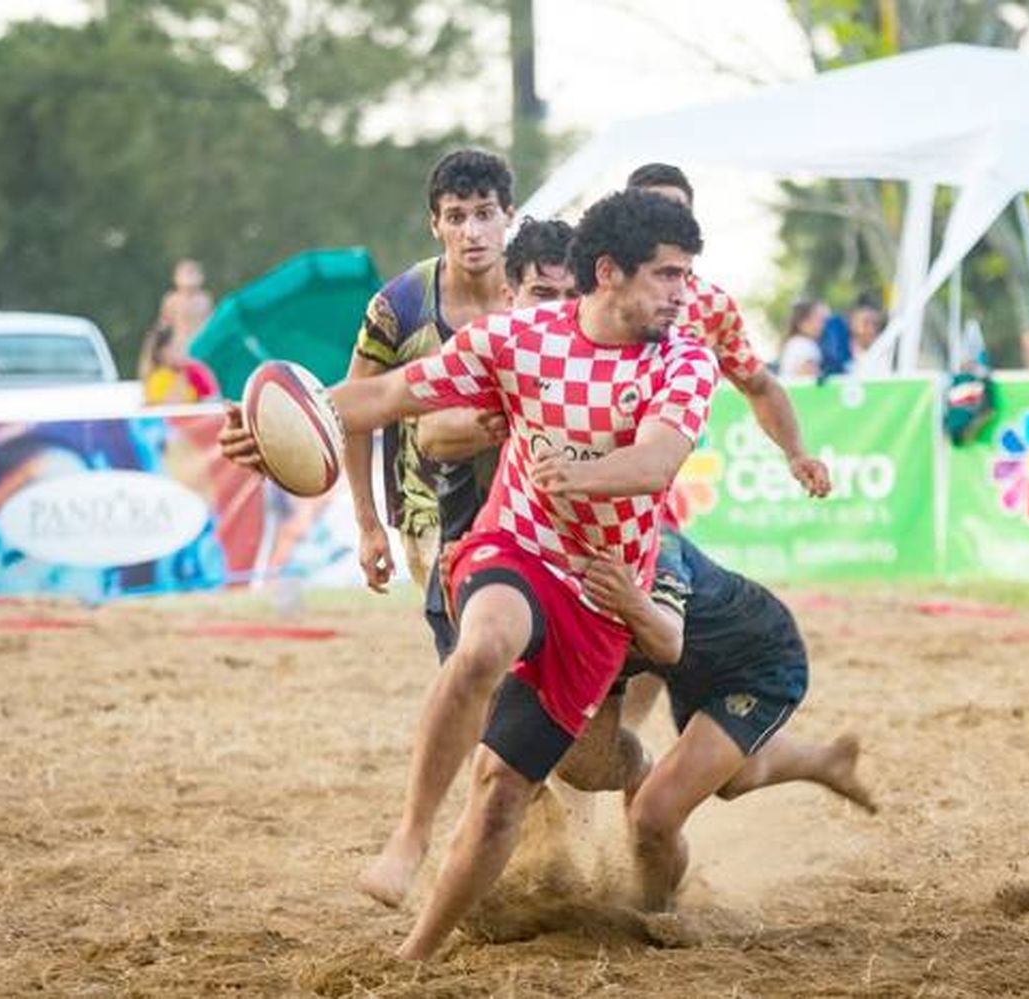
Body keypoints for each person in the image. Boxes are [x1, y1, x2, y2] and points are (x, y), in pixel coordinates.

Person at [219, 188, 718, 960]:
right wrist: (295, 417)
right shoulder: (522, 337)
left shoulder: (684, 358)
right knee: (483, 644)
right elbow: (389, 393)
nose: (681, 294)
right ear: (611, 272)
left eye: (687, 276)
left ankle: (426, 944)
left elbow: (656, 462)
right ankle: (411, 852)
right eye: (666, 276)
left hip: (602, 590)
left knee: (533, 785)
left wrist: (576, 474)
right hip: (515, 545)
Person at [555, 527, 875, 911]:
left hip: (757, 663)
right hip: (690, 668)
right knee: (730, 780)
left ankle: (653, 920)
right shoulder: (546, 548)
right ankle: (824, 762)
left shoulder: (649, 548)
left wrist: (631, 603)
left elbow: (662, 639)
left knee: (653, 818)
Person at [344, 149, 515, 595]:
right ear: (434, 225)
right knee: (479, 646)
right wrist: (368, 525)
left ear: (509, 216)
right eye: (456, 218)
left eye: (484, 214)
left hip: (527, 510)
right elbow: (355, 412)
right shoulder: (398, 305)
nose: (472, 232)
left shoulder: (541, 293)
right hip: (430, 518)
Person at [412, 217, 578, 660]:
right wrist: (487, 422)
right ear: (510, 297)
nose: (558, 309)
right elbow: (429, 433)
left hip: (575, 573)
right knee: (477, 700)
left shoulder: (608, 365)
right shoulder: (484, 352)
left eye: (572, 296)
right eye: (542, 294)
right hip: (477, 560)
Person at [625, 164, 830, 499]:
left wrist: (796, 454)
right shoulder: (595, 288)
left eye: (676, 211)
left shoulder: (710, 304)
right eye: (650, 212)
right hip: (580, 480)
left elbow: (760, 387)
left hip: (655, 495)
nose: (664, 223)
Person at [141, 325, 220, 405]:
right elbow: (169, 404)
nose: (183, 352)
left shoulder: (195, 370)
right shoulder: (158, 377)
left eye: (183, 346)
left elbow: (212, 398)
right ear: (162, 353)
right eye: (177, 348)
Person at [819, 292, 883, 377]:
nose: (872, 329)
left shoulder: (885, 351)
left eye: (876, 324)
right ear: (852, 324)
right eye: (865, 323)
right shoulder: (838, 357)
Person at [777, 299, 827, 381]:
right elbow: (810, 376)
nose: (823, 325)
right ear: (803, 323)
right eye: (819, 319)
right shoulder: (804, 345)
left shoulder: (794, 343)